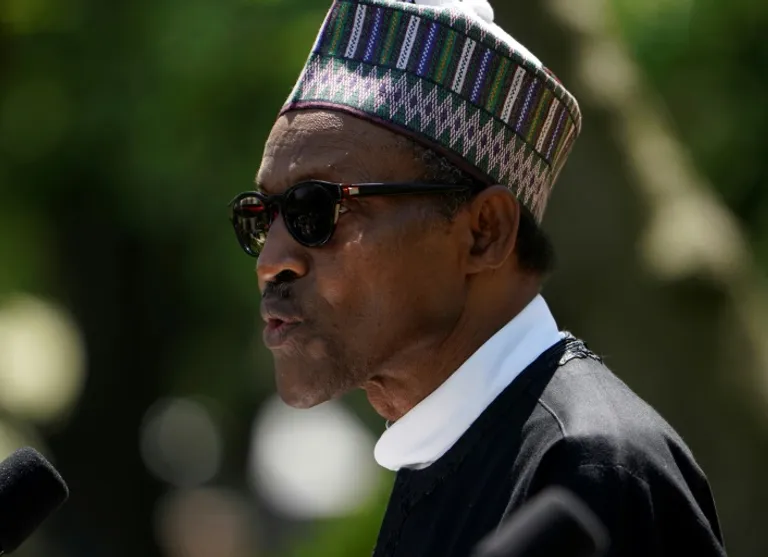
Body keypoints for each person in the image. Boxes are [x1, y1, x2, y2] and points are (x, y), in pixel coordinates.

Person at [227, 0, 727, 555]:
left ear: (484, 232)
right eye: (261, 216)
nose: (271, 261)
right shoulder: (443, 456)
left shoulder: (594, 471)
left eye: (315, 210)